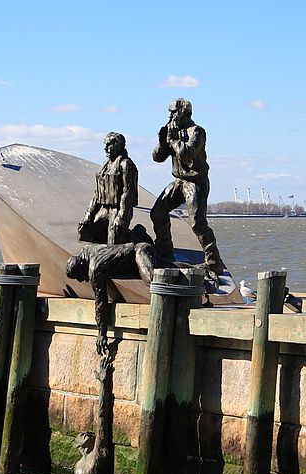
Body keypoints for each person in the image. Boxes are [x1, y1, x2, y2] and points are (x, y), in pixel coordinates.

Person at [150, 98, 225, 275]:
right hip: (180, 181)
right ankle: (165, 254)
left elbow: (187, 154)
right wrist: (162, 142)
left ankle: (214, 262)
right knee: (157, 212)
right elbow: (157, 158)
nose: (170, 115)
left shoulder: (197, 131)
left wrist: (174, 140)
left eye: (173, 112)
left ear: (183, 113)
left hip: (196, 182)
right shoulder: (172, 131)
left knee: (197, 223)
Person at [65, 241, 156, 354]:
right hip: (137, 253)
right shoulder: (87, 249)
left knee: (154, 282)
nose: (81, 280)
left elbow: (101, 302)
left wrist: (101, 334)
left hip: (141, 252)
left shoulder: (95, 268)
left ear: (83, 265)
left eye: (78, 275)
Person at [78, 132, 138, 245]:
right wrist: (89, 213)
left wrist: (121, 216)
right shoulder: (105, 166)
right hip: (104, 209)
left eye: (109, 145)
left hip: (118, 209)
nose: (105, 148)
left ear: (118, 146)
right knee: (86, 230)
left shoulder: (126, 165)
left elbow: (128, 192)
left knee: (114, 238)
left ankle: (135, 237)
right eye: (105, 145)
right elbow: (97, 193)